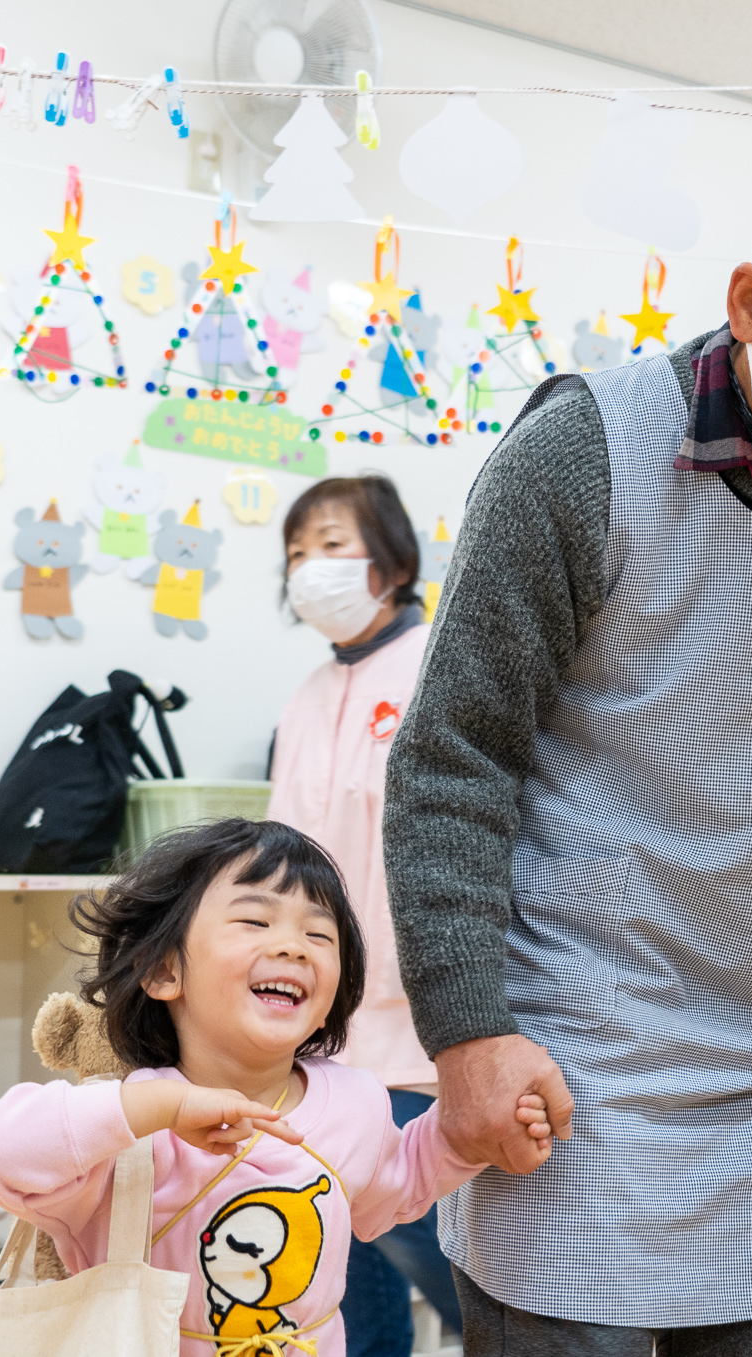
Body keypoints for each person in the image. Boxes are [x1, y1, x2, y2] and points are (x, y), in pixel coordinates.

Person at [386, 148, 752, 1351]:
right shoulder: (581, 455)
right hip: (563, 1055)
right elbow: (453, 762)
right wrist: (464, 1031)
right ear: (751, 301)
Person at [0, 818, 552, 1357]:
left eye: (320, 936)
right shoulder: (130, 1120)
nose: (293, 945)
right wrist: (161, 1107)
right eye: (254, 921)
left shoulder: (354, 1103)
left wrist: (470, 1137)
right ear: (165, 971)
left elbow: (397, 1184)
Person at [265, 475, 465, 1351]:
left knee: (420, 1220)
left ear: (389, 558)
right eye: (298, 552)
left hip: (416, 1008)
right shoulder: (307, 693)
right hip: (320, 1007)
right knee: (343, 1236)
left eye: (332, 544)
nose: (311, 568)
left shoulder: (435, 661)